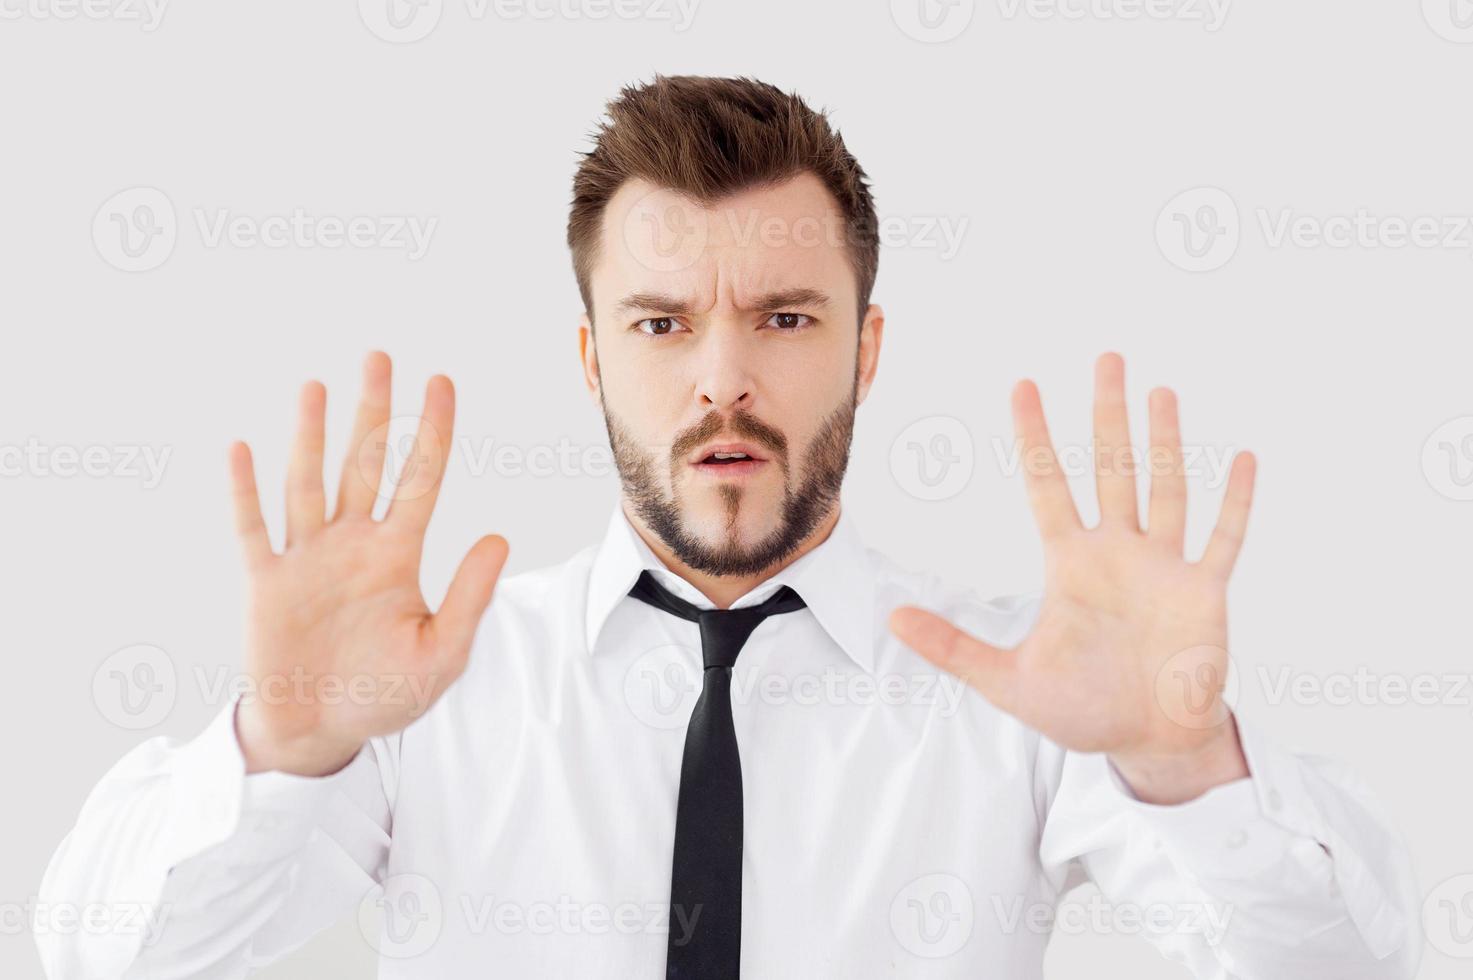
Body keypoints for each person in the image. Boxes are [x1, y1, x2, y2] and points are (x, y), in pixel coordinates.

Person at [36, 75, 1420, 979]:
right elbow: (103, 959)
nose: (720, 379)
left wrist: (1180, 764)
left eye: (783, 318)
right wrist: (284, 745)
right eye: (658, 324)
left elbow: (1349, 966)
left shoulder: (1024, 685)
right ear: (588, 360)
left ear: (867, 351)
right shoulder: (428, 680)